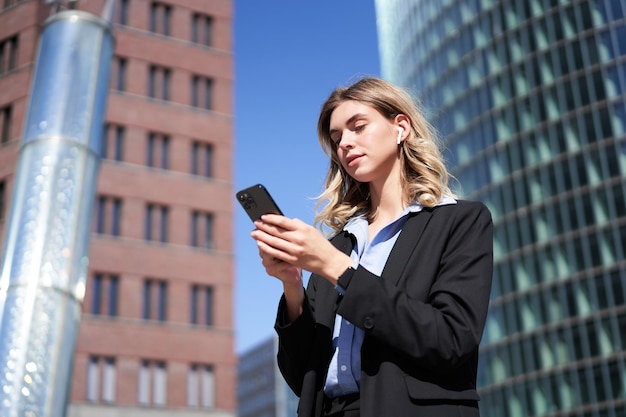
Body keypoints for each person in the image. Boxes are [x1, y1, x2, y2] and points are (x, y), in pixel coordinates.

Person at [250, 77, 493, 417]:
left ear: (400, 127)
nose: (345, 144)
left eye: (358, 127)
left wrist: (338, 269)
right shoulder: (339, 245)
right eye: (336, 138)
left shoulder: (460, 221)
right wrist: (292, 286)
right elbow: (301, 378)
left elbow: (451, 340)